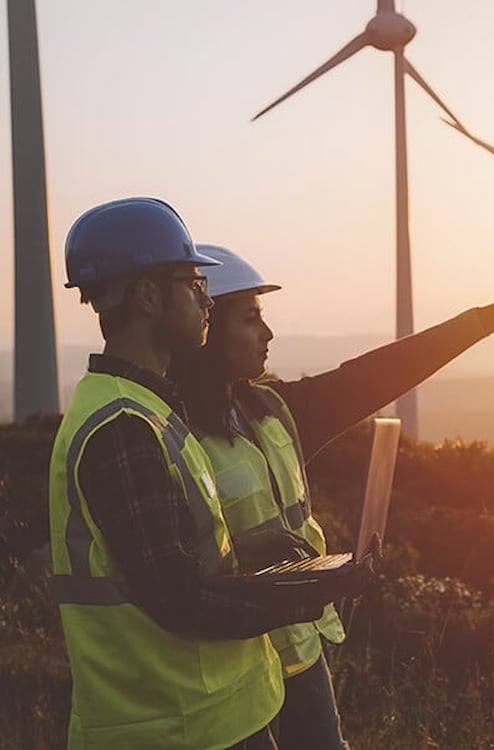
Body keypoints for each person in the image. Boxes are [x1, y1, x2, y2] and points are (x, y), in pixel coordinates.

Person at [168, 243, 494, 750]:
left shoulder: (274, 412)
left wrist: (478, 322)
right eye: (251, 319)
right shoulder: (171, 436)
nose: (267, 333)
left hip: (300, 653)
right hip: (231, 671)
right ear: (208, 330)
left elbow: (373, 376)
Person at [48, 198, 371, 750]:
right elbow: (180, 600)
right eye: (194, 281)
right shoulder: (123, 429)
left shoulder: (150, 411)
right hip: (174, 728)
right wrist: (311, 591)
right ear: (148, 296)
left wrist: (252, 551)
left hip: (215, 717)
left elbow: (174, 562)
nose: (205, 297)